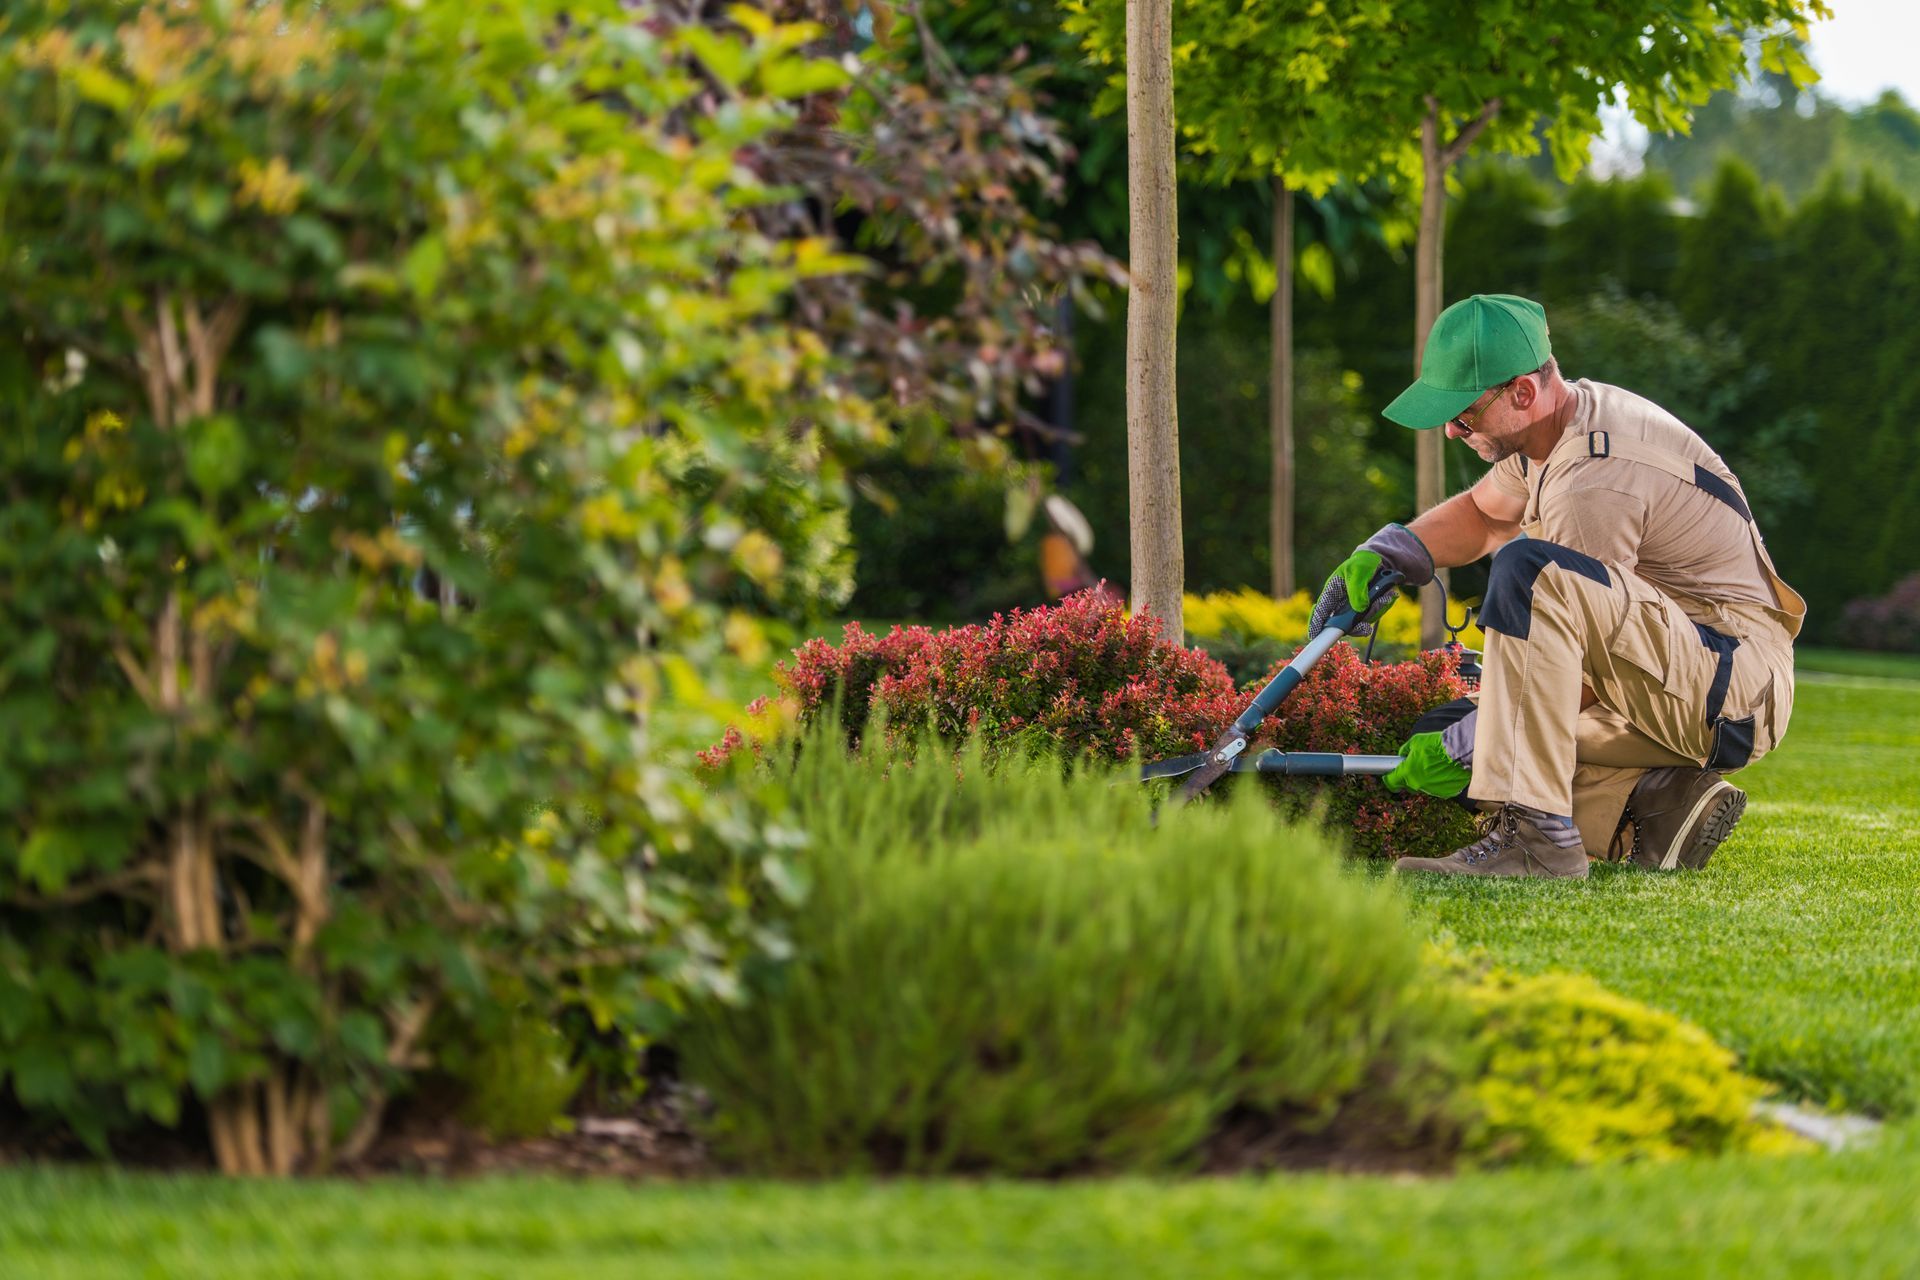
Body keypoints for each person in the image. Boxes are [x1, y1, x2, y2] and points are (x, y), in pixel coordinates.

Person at [1307, 294, 1805, 878]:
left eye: (1464, 414)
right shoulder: (1552, 428)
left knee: (1528, 580)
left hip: (1730, 686)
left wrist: (1474, 746)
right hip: (1676, 671)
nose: (1450, 430)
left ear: (1522, 392)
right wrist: (1393, 551)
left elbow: (1583, 670)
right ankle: (1660, 805)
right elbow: (1485, 514)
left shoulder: (1590, 483)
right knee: (1450, 725)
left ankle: (1540, 841)